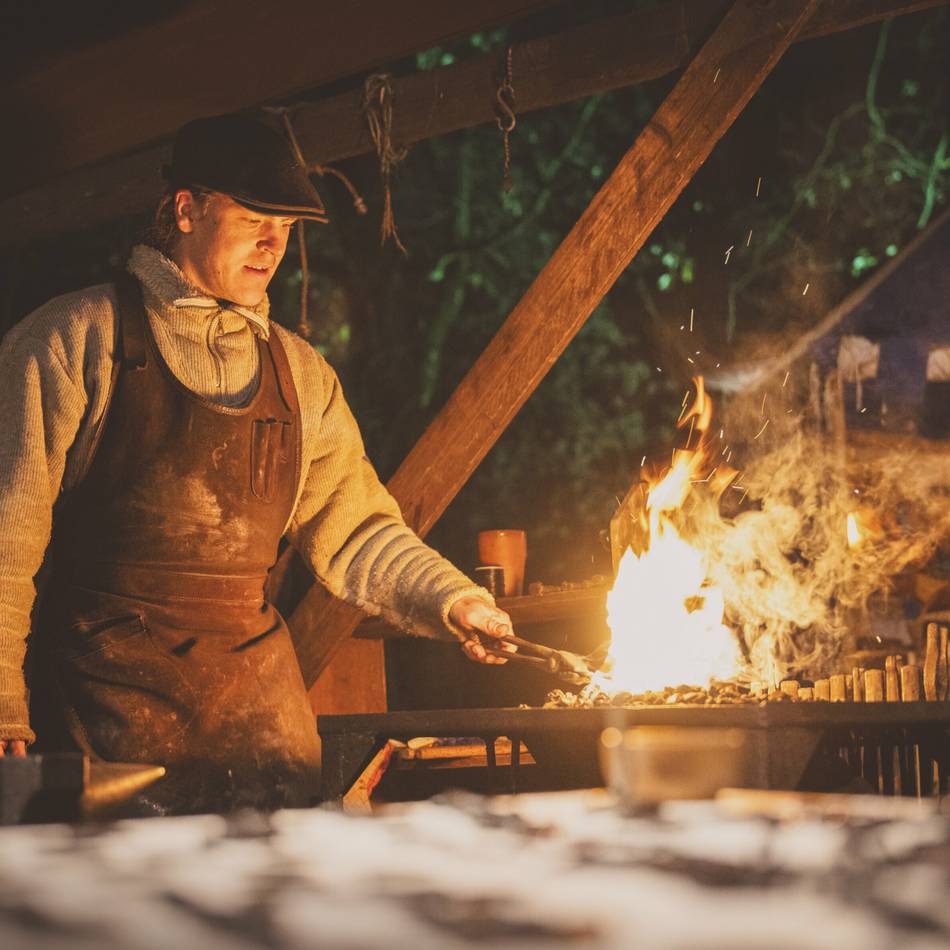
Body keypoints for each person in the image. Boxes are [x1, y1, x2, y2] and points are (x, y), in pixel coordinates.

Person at [0, 112, 514, 812]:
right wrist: (5, 706)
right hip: (108, 725)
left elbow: (359, 531)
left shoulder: (300, 373)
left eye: (287, 227)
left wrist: (454, 600)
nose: (274, 244)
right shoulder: (73, 340)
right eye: (253, 220)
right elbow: (8, 537)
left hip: (265, 732)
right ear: (186, 211)